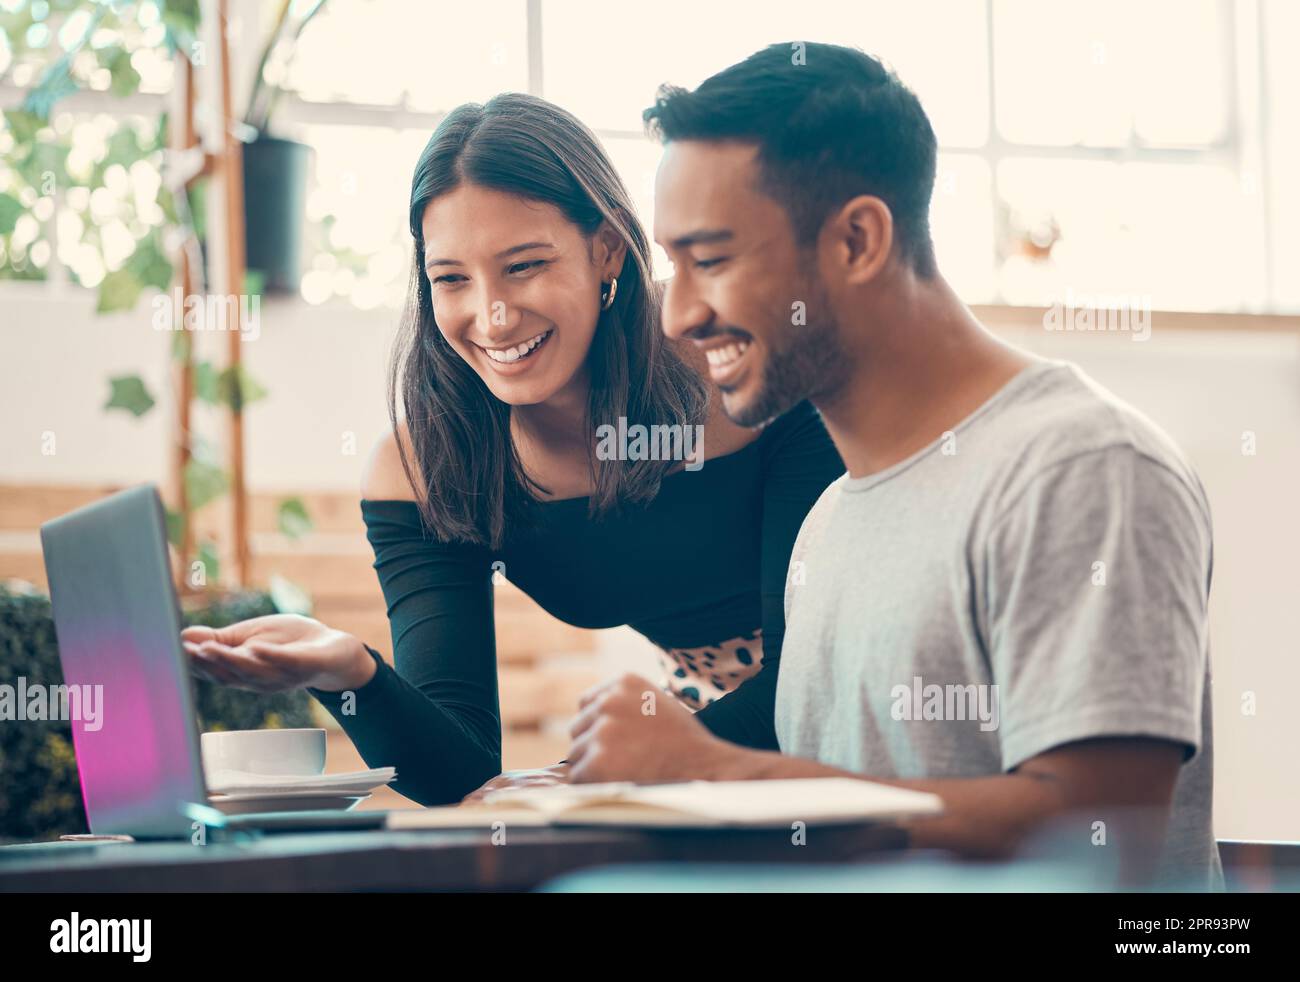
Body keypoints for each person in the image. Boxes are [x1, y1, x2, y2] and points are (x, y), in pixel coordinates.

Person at [564, 42, 1221, 889]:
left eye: (713, 260)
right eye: (673, 265)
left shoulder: (1084, 468)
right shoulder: (828, 523)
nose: (680, 315)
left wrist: (714, 770)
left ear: (859, 240)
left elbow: (1096, 839)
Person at [181, 93, 844, 807]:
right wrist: (350, 674)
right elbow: (461, 774)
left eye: (524, 265)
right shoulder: (426, 467)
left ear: (607, 247)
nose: (491, 316)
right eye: (452, 279)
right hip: (707, 738)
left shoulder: (735, 368)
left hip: (852, 699)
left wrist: (629, 763)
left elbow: (810, 674)